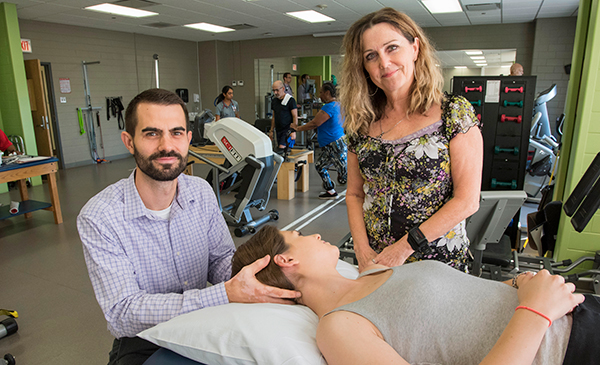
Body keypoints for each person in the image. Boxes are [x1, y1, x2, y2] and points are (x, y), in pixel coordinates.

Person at [77, 88, 300, 365]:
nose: (166, 145)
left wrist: (260, 281)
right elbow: (123, 313)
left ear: (188, 139)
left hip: (205, 322)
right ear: (129, 141)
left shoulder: (201, 192)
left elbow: (220, 261)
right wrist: (226, 293)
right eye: (151, 133)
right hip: (145, 339)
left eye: (176, 133)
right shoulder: (100, 217)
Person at [232, 225, 598, 365]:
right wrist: (536, 311)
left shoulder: (375, 270)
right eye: (299, 235)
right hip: (570, 346)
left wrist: (520, 285)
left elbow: (462, 303)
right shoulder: (339, 327)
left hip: (574, 310)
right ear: (287, 259)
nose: (315, 234)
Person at [340, 8, 483, 272]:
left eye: (392, 48)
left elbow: (467, 200)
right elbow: (354, 193)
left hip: (437, 265)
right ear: (363, 67)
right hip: (377, 264)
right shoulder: (360, 123)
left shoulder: (454, 113)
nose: (384, 63)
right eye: (371, 56)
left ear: (415, 48)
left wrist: (405, 247)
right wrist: (361, 250)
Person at [292, 82, 347, 199]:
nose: (320, 95)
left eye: (321, 92)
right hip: (331, 144)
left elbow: (314, 123)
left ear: (327, 93)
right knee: (320, 165)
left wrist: (298, 128)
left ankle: (364, 193)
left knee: (345, 173)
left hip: (335, 144)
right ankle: (330, 191)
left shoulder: (329, 107)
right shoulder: (338, 105)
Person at [270, 80, 298, 150]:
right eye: (274, 90)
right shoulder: (274, 101)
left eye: (277, 90)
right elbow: (274, 116)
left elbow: (295, 116)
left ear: (282, 89)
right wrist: (271, 131)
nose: (275, 93)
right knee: (279, 148)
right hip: (278, 129)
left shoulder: (290, 100)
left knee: (281, 149)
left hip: (287, 129)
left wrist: (293, 131)